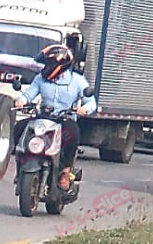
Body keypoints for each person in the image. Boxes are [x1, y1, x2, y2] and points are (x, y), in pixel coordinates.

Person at [13, 44, 96, 191]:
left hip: (64, 119)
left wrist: (84, 109)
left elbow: (91, 102)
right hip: (43, 118)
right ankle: (20, 166)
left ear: (60, 65)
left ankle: (65, 171)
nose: (46, 68)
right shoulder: (40, 79)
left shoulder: (77, 80)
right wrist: (21, 101)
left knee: (73, 133)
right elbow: (28, 94)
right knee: (19, 127)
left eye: (49, 64)